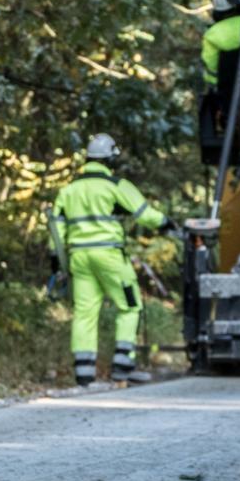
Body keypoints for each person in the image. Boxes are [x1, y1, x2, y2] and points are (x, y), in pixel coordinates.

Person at [49, 134, 175, 385]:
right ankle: (122, 366)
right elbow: (145, 214)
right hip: (110, 257)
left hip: (79, 259)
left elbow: (56, 230)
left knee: (85, 312)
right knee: (129, 305)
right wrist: (166, 224)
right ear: (110, 160)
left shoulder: (68, 190)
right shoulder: (116, 185)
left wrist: (56, 263)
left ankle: (84, 375)